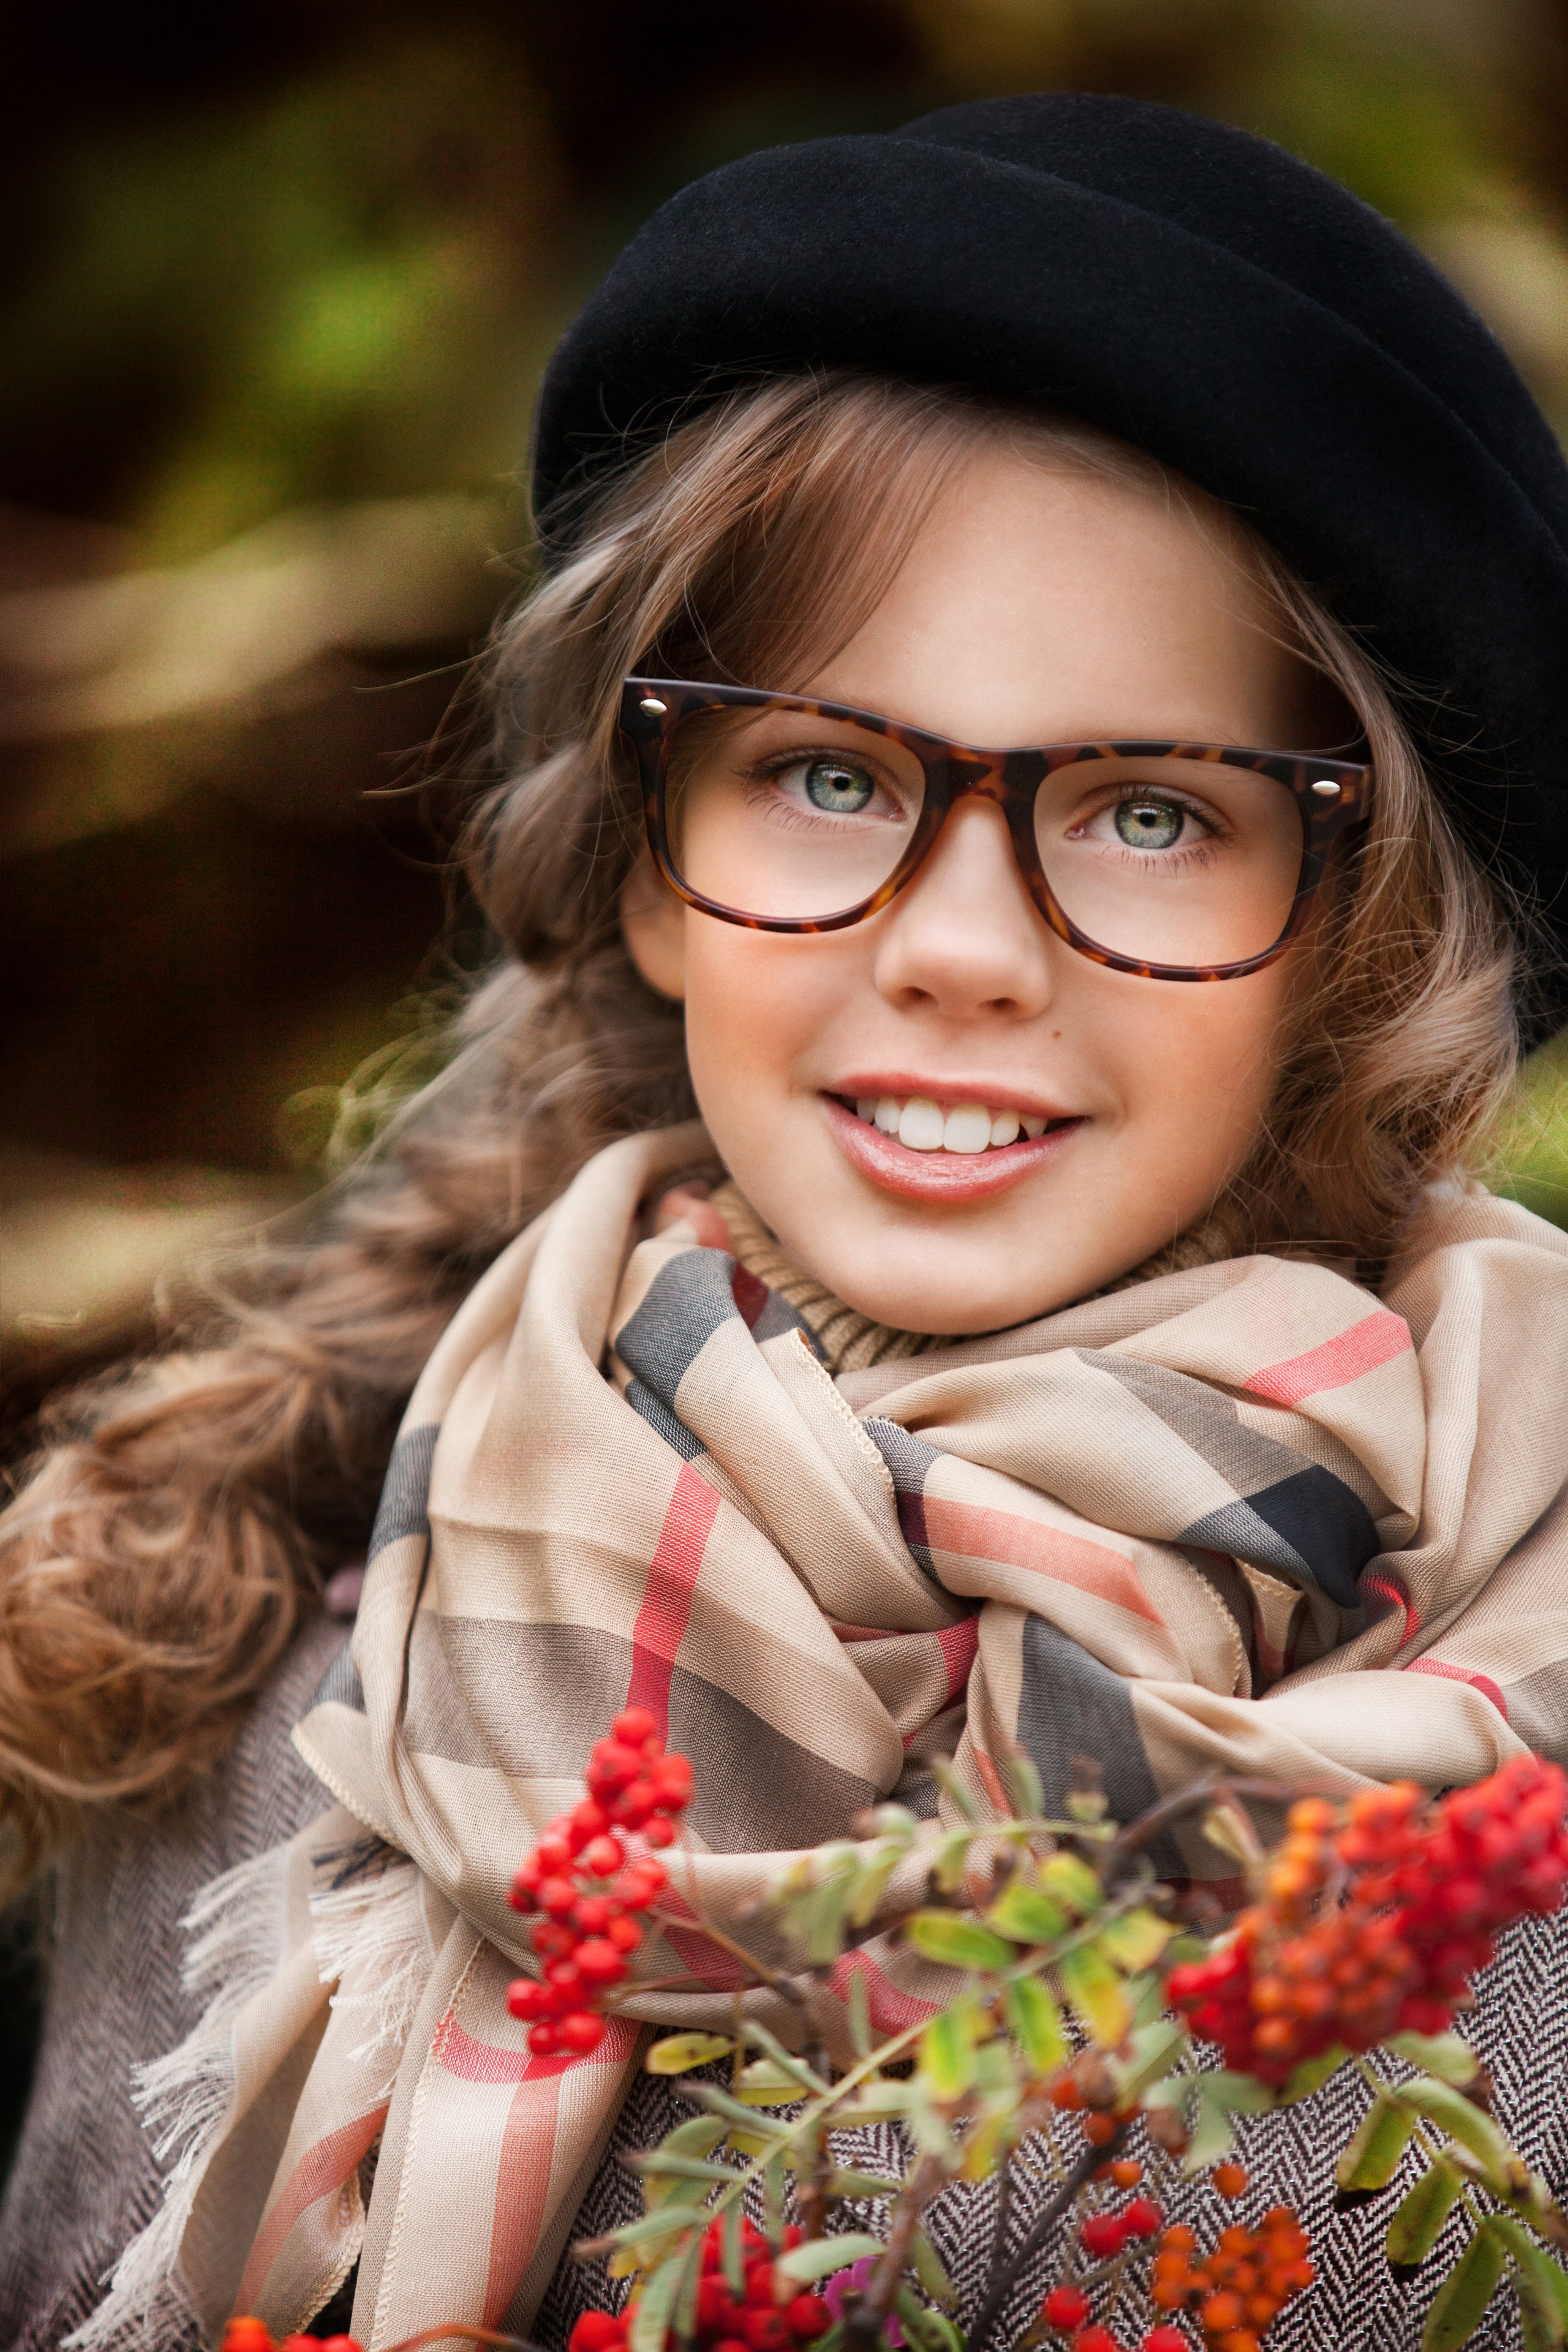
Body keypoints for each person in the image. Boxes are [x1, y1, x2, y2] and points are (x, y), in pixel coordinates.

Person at [4, 91, 1568, 2352]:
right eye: (830, 775)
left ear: (1357, 933)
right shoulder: (276, 1665)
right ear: (651, 854)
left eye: (1148, 811)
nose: (957, 945)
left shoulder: (1476, 1855)